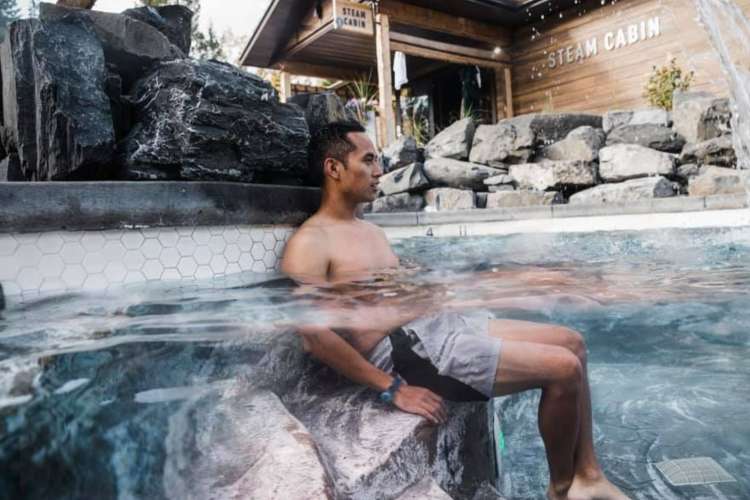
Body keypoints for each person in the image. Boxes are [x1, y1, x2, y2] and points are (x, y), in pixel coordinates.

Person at [280, 121, 629, 500]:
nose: (380, 171)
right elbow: (314, 336)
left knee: (572, 342)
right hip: (409, 351)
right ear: (334, 169)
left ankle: (589, 474)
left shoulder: (370, 231)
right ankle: (561, 490)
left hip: (435, 327)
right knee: (563, 369)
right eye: (369, 160)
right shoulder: (310, 242)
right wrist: (393, 389)